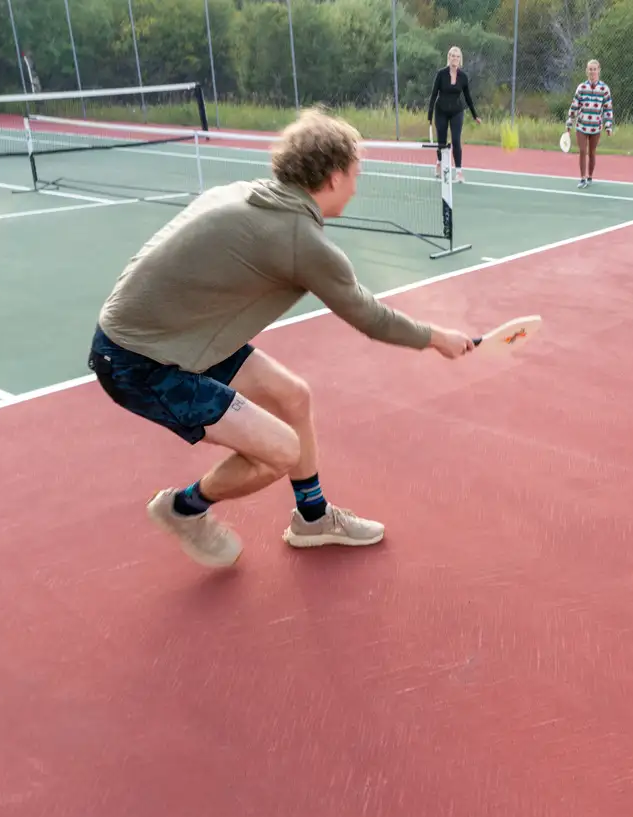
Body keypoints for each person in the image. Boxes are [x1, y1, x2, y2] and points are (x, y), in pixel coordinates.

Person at [87, 106, 477, 569]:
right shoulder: (301, 241)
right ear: (332, 178)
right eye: (355, 174)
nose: (356, 185)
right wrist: (438, 337)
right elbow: (370, 317)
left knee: (292, 397)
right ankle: (183, 509)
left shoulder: (245, 193)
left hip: (168, 337)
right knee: (281, 450)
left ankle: (312, 519)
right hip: (141, 361)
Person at [426, 45, 481, 183]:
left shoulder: (463, 77)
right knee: (442, 142)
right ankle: (439, 163)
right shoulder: (441, 74)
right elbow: (433, 95)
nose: (454, 59)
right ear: (448, 58)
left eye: (457, 56)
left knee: (456, 140)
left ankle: (459, 172)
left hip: (457, 111)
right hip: (441, 111)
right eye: (452, 56)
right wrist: (429, 116)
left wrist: (475, 115)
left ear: (460, 59)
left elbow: (468, 97)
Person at [565, 59, 614, 189]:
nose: (592, 72)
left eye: (594, 69)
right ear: (587, 71)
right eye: (590, 69)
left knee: (592, 152)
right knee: (582, 151)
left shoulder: (604, 89)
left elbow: (608, 108)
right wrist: (569, 122)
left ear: (599, 71)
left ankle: (590, 176)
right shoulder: (581, 87)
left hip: (596, 127)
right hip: (581, 125)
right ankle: (582, 178)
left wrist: (608, 125)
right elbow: (574, 106)